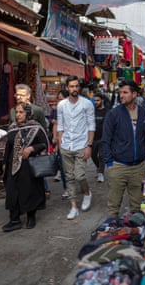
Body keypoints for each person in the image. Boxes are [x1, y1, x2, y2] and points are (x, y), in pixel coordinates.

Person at [102, 80, 145, 218]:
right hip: (118, 166)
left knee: (137, 207)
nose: (121, 96)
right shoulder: (113, 114)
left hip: (138, 167)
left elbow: (143, 138)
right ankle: (111, 233)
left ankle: (132, 233)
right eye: (120, 93)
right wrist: (109, 163)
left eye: (125, 92)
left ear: (134, 94)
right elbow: (105, 141)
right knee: (114, 207)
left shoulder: (143, 113)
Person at [2, 102, 48, 232]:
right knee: (12, 191)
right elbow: (8, 147)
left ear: (28, 113)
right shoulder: (12, 128)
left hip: (30, 166)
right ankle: (14, 220)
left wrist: (32, 148)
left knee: (29, 190)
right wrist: (5, 164)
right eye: (16, 112)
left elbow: (45, 143)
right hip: (14, 165)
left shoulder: (36, 127)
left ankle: (31, 217)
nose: (18, 115)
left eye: (21, 112)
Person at [57, 75, 95, 220]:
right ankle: (73, 206)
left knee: (79, 175)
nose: (74, 89)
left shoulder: (87, 104)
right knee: (69, 177)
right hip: (66, 145)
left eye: (76, 86)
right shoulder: (61, 105)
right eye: (71, 86)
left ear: (79, 87)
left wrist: (89, 145)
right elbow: (60, 126)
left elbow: (91, 126)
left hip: (81, 145)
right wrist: (61, 145)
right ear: (67, 88)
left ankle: (87, 193)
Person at [49, 89, 69, 199]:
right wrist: (55, 139)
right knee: (62, 167)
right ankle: (67, 188)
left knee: (74, 168)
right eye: (59, 99)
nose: (59, 101)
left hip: (74, 143)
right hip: (62, 143)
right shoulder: (56, 110)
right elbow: (55, 124)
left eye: (61, 99)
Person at [92, 92, 109, 183]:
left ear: (102, 100)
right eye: (95, 100)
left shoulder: (107, 111)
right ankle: (99, 168)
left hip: (103, 137)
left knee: (102, 156)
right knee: (93, 155)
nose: (96, 102)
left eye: (98, 100)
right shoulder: (92, 111)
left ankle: (101, 173)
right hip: (93, 137)